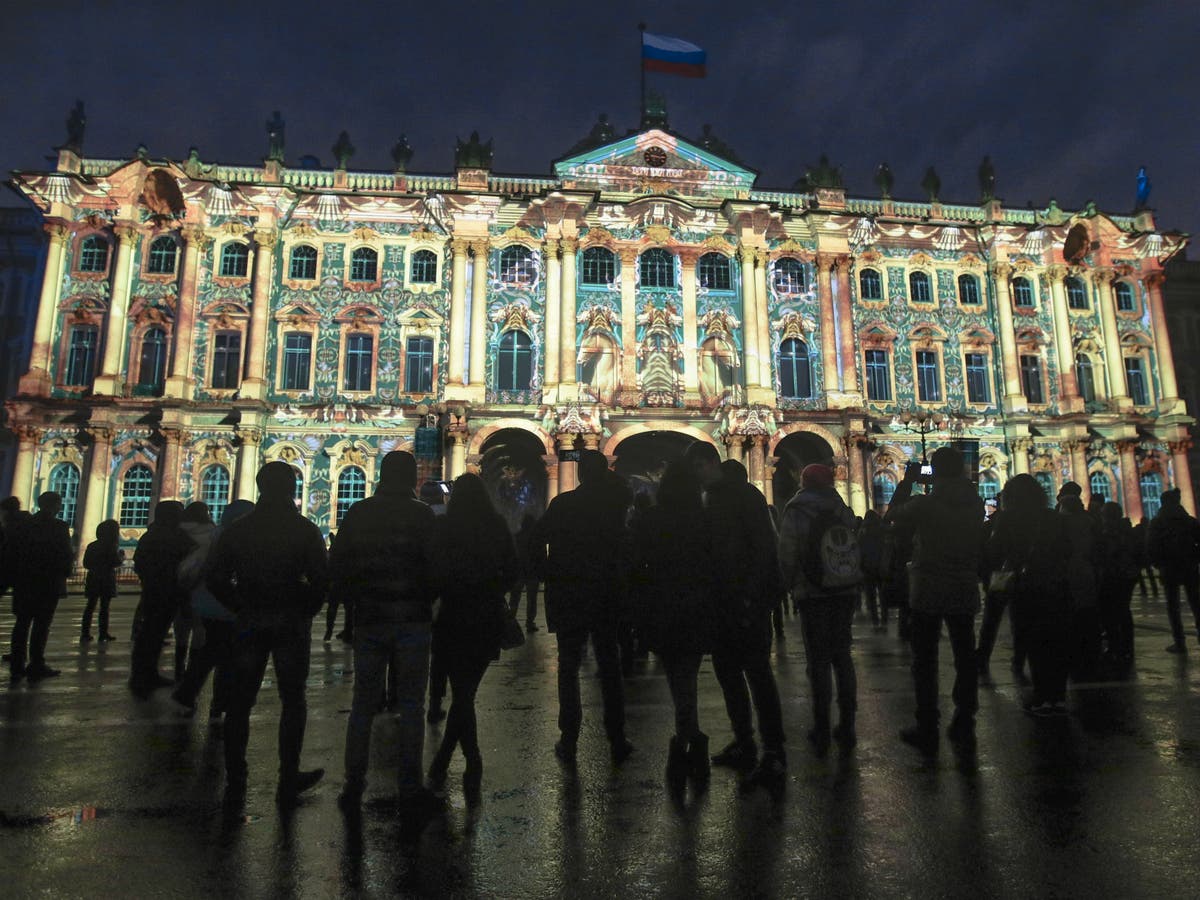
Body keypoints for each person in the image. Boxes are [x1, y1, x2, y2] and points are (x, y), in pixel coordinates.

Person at [207, 462, 328, 802]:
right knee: (293, 699)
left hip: (249, 618)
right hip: (290, 620)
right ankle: (288, 774)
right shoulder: (303, 529)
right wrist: (306, 609)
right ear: (292, 488)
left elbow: (215, 577)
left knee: (240, 701)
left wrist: (238, 606)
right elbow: (322, 579)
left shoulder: (240, 530)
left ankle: (236, 774)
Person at [329, 451, 439, 819]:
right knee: (411, 707)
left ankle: (353, 783)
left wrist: (354, 602)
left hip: (371, 618)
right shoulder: (422, 515)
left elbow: (339, 563)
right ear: (411, 478)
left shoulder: (360, 513)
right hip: (412, 619)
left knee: (363, 704)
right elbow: (435, 565)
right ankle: (410, 784)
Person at [684, 443, 787, 788]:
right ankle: (744, 741)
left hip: (746, 601)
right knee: (729, 674)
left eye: (699, 466)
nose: (697, 475)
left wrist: (753, 597)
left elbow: (761, 549)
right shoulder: (710, 498)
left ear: (712, 463)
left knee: (757, 675)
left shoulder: (743, 496)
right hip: (723, 602)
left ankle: (773, 751)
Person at [537, 449, 634, 765]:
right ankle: (617, 738)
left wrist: (547, 574)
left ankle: (569, 738)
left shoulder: (563, 505)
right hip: (607, 594)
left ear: (580, 474)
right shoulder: (616, 506)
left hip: (569, 594)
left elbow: (538, 540)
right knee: (609, 666)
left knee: (569, 668)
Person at [426, 473, 518, 802]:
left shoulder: (446, 528)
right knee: (466, 691)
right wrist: (491, 588)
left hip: (452, 615)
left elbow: (433, 571)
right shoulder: (495, 525)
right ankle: (464, 759)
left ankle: (459, 759)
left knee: (462, 692)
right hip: (486, 615)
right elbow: (512, 570)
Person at [886, 448, 984, 755]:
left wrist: (908, 481)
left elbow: (892, 517)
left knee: (925, 660)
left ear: (936, 472)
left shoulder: (925, 504)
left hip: (929, 587)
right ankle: (965, 717)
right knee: (965, 654)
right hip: (964, 583)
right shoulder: (975, 503)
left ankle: (927, 723)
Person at [628, 459, 715, 790]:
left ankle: (685, 741)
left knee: (676, 677)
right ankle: (691, 739)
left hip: (662, 606)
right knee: (688, 677)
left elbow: (637, 562)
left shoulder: (652, 519)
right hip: (696, 606)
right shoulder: (704, 520)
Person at [778, 463, 860, 757]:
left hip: (812, 593)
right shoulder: (843, 508)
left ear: (803, 482)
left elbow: (787, 553)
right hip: (844, 590)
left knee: (818, 660)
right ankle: (848, 724)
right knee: (842, 656)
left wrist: (787, 587)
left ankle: (822, 726)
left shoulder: (796, 510)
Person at [989, 475, 1073, 716]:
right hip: (1055, 585)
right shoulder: (1052, 517)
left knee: (1033, 641)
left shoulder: (1008, 519)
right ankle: (1058, 696)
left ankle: (1042, 696)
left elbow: (995, 551)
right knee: (1055, 641)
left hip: (1025, 586)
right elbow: (1067, 549)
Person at [172, 500, 253, 719]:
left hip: (208, 603)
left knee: (217, 652)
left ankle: (205, 698)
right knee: (221, 654)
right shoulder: (236, 537)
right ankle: (209, 700)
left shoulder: (216, 534)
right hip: (224, 604)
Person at [6, 492, 72, 683]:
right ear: (55, 506)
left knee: (21, 625)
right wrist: (65, 574)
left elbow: (12, 552)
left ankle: (17, 666)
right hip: (48, 583)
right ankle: (36, 663)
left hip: (24, 582)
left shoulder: (24, 526)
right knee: (41, 626)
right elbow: (65, 555)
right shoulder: (59, 527)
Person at [130, 501, 194, 697]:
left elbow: (138, 563)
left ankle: (142, 674)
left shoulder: (150, 535)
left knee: (149, 634)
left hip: (152, 590)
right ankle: (146, 676)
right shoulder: (176, 536)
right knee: (154, 634)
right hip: (169, 591)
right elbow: (191, 554)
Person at [1148, 488, 1200, 654]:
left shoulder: (1158, 522)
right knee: (1196, 604)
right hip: (1190, 567)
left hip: (1169, 568)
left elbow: (1151, 546)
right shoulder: (1189, 521)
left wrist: (1157, 563)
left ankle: (1179, 642)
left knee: (1173, 606)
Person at [81, 520, 123, 643]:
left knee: (90, 606)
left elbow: (86, 563)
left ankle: (85, 633)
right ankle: (103, 633)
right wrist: (121, 556)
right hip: (106, 578)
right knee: (104, 608)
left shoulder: (92, 545)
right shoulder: (111, 546)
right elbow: (115, 562)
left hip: (93, 577)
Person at [509, 513, 541, 633]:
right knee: (532, 599)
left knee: (515, 598)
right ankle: (529, 622)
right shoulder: (536, 539)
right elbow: (540, 556)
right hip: (532, 572)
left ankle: (511, 620)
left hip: (519, 571)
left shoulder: (517, 537)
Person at [858, 510, 885, 630]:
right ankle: (884, 621)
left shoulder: (862, 532)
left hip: (867, 568)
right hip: (881, 566)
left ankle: (875, 621)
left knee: (871, 597)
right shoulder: (882, 531)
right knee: (884, 595)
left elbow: (859, 550)